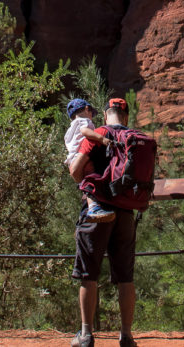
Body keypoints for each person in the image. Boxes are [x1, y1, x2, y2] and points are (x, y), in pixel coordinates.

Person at [68, 97, 138, 347]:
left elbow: (76, 172)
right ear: (126, 116)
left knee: (89, 273)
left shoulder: (97, 133)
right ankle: (127, 335)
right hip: (126, 213)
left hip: (97, 210)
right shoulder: (135, 137)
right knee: (125, 277)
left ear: (107, 115)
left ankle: (86, 334)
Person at [64, 98, 117, 223]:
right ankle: (94, 208)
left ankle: (91, 207)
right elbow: (85, 132)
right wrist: (101, 139)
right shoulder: (84, 122)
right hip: (82, 158)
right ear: (87, 109)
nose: (91, 117)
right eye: (91, 114)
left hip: (73, 160)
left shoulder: (70, 128)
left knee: (87, 184)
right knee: (92, 179)